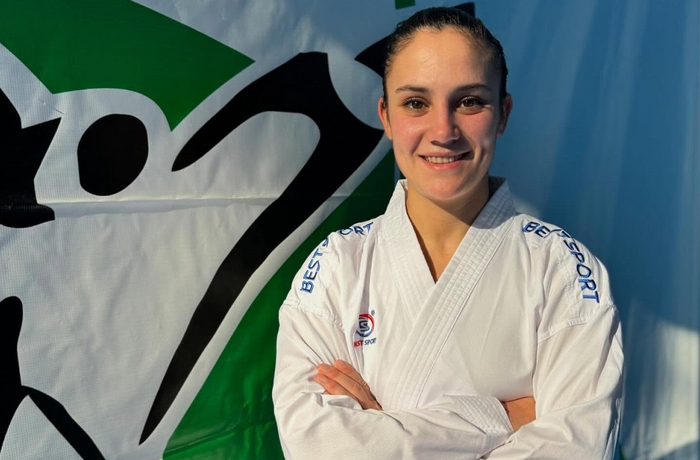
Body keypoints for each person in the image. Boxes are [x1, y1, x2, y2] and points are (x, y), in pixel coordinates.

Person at [272, 7, 623, 459]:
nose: (443, 131)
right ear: (386, 116)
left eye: (469, 101)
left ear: (503, 114)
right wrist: (499, 416)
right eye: (416, 103)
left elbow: (578, 448)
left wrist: (382, 428)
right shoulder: (337, 268)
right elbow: (318, 446)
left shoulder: (562, 271)